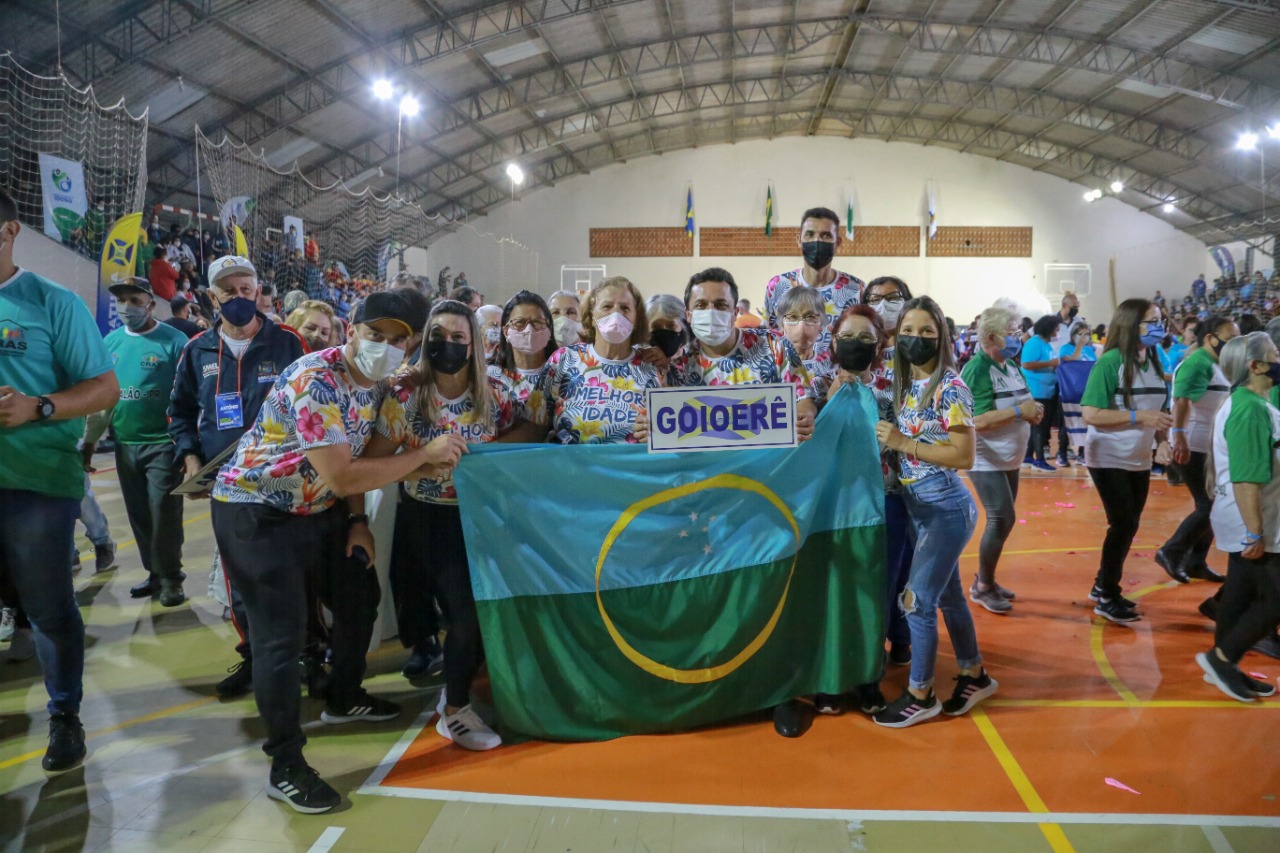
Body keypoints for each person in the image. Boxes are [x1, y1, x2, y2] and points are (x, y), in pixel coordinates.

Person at [211, 290, 446, 813]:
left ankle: (344, 696)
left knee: (360, 590)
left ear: (410, 347)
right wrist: (422, 458)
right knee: (281, 634)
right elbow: (342, 473)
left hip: (319, 508)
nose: (383, 347)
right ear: (352, 328)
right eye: (374, 334)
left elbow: (364, 458)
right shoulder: (314, 379)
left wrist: (359, 522)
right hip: (256, 509)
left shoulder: (384, 386)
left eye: (397, 340)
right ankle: (285, 765)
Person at [659, 267, 817, 737]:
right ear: (688, 313)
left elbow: (804, 402)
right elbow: (663, 431)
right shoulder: (674, 365)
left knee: (772, 592)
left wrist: (803, 418)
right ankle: (716, 689)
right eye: (702, 306)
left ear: (737, 308)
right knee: (710, 593)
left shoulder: (770, 346)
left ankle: (783, 691)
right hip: (703, 501)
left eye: (721, 304)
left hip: (766, 495)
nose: (712, 314)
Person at [368, 299, 525, 750]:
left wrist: (485, 459)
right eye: (439, 337)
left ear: (474, 344)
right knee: (465, 612)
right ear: (424, 341)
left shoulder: (495, 389)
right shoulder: (406, 396)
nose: (449, 345)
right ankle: (454, 709)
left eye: (459, 338)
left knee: (482, 611)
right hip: (431, 519)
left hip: (486, 516)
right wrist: (421, 466)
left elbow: (532, 429)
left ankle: (460, 690)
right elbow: (375, 461)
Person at [0, 190, 121, 771]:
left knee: (49, 606)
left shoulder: (52, 302)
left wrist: (37, 407)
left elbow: (104, 388)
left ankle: (65, 716)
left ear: (10, 231)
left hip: (35, 483)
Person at [168, 255, 305, 696]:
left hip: (284, 482)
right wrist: (190, 458)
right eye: (229, 291)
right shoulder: (197, 351)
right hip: (227, 488)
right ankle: (254, 656)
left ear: (259, 291)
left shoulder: (288, 342)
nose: (240, 298)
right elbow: (181, 413)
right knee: (239, 577)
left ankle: (302, 655)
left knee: (291, 571)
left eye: (247, 289)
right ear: (212, 297)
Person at [872, 295, 995, 728]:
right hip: (920, 508)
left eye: (926, 331)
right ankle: (973, 672)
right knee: (949, 596)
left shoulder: (950, 386)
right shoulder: (911, 384)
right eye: (908, 331)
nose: (916, 338)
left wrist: (904, 443)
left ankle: (921, 693)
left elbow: (964, 455)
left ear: (941, 335)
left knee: (916, 601)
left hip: (944, 508)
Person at [821, 304, 909, 715]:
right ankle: (831, 678)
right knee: (833, 593)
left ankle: (868, 677)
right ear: (833, 342)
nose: (854, 346)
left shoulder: (894, 391)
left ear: (880, 346)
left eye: (865, 339)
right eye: (847, 337)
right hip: (830, 510)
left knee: (877, 593)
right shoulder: (816, 389)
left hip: (883, 506)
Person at [84, 277, 190, 606]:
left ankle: (171, 577)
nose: (128, 306)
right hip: (125, 443)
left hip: (163, 442)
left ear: (151, 303)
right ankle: (155, 573)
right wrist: (90, 441)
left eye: (135, 299)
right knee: (140, 514)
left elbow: (190, 394)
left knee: (163, 512)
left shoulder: (175, 341)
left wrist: (191, 447)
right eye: (123, 300)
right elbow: (104, 400)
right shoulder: (111, 342)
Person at [1196, 332, 1280, 702]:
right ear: (1255, 365)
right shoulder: (1248, 408)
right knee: (1274, 598)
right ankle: (1223, 658)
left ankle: (1225, 667)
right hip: (1254, 516)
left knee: (1240, 592)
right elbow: (1248, 475)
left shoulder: (1251, 402)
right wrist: (1255, 532)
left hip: (1250, 515)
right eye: (1275, 354)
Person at [1080, 298, 1173, 623]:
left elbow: (1159, 412)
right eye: (1152, 320)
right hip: (1107, 455)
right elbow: (1090, 413)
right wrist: (1140, 417)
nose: (1159, 326)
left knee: (1128, 524)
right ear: (1132, 324)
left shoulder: (1154, 359)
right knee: (1123, 523)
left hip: (1138, 457)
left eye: (1160, 319)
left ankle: (1101, 585)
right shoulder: (1111, 362)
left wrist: (1161, 442)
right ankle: (1107, 594)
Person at [961, 306, 1042, 614]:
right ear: (992, 336)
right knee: (1001, 518)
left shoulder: (1010, 365)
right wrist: (1021, 412)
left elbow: (1023, 401)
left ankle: (988, 580)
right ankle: (982, 587)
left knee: (1004, 520)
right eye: (1011, 331)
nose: (1018, 336)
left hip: (1010, 457)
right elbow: (977, 420)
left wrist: (1033, 412)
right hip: (986, 457)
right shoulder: (978, 368)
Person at [1158, 315, 1236, 584]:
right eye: (1229, 337)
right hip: (1194, 442)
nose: (1232, 343)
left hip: (1210, 443)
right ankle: (1171, 551)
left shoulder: (1216, 363)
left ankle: (1195, 561)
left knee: (1212, 502)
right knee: (1210, 504)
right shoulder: (1197, 363)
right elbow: (1181, 402)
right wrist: (1178, 437)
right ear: (1210, 338)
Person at [542, 276, 661, 444]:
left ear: (636, 318)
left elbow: (674, 429)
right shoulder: (563, 360)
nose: (616, 314)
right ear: (591, 315)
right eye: (607, 306)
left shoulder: (653, 367)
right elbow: (535, 424)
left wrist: (660, 432)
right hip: (573, 468)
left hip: (633, 468)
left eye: (625, 308)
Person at [763, 207, 863, 354]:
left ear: (838, 243)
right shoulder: (778, 285)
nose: (817, 241)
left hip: (837, 376)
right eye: (809, 234)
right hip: (790, 375)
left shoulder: (856, 289)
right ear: (799, 240)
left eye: (826, 235)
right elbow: (768, 337)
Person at [490, 291, 558, 434]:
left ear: (549, 329)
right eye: (520, 322)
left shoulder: (563, 374)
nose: (529, 330)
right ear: (506, 331)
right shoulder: (491, 377)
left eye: (537, 322)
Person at [1021, 314, 1063, 471]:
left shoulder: (1046, 344)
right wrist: (1050, 363)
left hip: (1047, 390)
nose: (1058, 332)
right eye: (1056, 328)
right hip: (1036, 390)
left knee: (1038, 427)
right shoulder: (1035, 343)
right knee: (1040, 426)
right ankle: (1039, 460)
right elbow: (1026, 364)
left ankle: (1028, 456)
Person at [776, 285, 833, 397]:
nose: (802, 325)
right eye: (793, 317)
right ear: (782, 325)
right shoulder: (772, 366)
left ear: (821, 324)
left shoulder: (830, 367)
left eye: (810, 317)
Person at [862, 276, 911, 362]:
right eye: (875, 299)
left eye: (893, 297)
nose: (883, 304)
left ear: (907, 302)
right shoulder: (863, 346)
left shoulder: (915, 343)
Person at [645, 293, 690, 362]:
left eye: (671, 326)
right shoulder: (637, 366)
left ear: (684, 328)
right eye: (656, 327)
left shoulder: (698, 363)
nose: (664, 332)